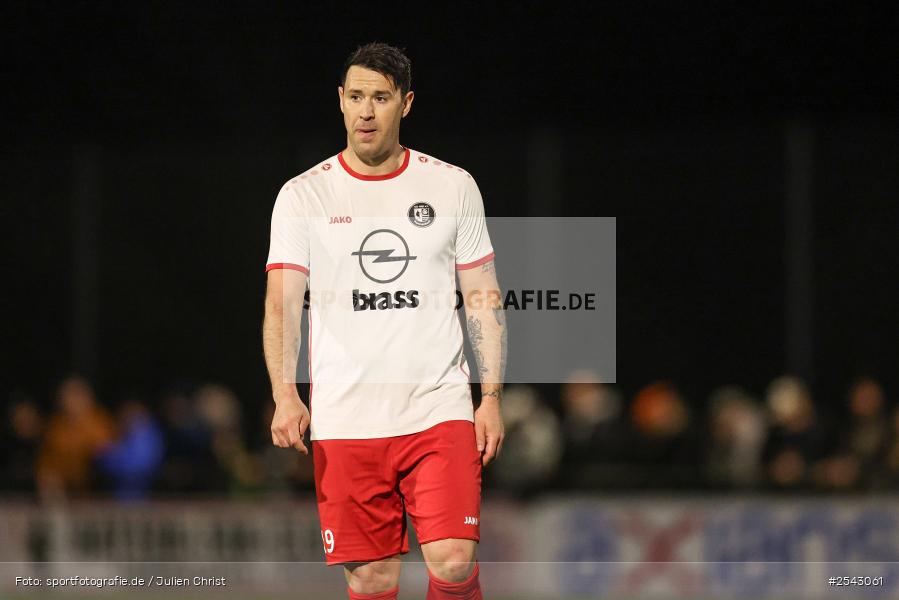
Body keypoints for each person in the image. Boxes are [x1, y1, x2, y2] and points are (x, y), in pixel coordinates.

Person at [262, 43, 506, 600]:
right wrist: (284, 392)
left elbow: (483, 296)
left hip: (437, 408)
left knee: (451, 561)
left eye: (380, 97)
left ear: (406, 103)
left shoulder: (452, 186)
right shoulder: (304, 195)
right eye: (355, 97)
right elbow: (281, 303)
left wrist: (489, 395)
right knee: (373, 578)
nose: (366, 111)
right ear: (340, 103)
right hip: (346, 417)